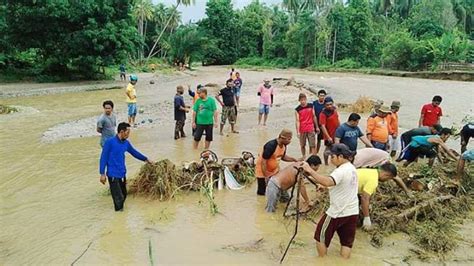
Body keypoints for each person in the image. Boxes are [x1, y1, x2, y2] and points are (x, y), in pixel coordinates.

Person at [300, 144, 359, 259]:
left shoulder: (341, 170)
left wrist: (309, 170)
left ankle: (323, 261)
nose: (331, 160)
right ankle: (344, 261)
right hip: (352, 212)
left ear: (340, 156)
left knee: (320, 236)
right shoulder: (352, 168)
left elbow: (328, 181)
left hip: (337, 212)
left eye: (332, 157)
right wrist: (326, 187)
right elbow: (342, 185)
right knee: (346, 243)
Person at [99, 122, 152, 211]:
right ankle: (119, 216)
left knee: (124, 194)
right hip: (112, 175)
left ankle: (121, 217)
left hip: (122, 173)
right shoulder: (110, 142)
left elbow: (134, 152)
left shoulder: (126, 143)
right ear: (122, 132)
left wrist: (146, 159)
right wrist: (102, 173)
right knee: (118, 198)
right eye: (127, 133)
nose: (128, 135)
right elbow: (103, 158)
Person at [357, 163, 410, 230]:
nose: (386, 181)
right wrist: (367, 217)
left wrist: (367, 205)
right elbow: (364, 198)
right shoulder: (373, 180)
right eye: (388, 179)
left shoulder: (371, 172)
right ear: (387, 175)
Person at [255, 129, 299, 196]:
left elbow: (283, 157)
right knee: (262, 193)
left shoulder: (284, 145)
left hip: (274, 171)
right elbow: (263, 162)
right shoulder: (271, 146)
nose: (290, 141)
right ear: (282, 138)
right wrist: (266, 176)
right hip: (262, 171)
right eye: (289, 139)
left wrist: (293, 159)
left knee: (278, 188)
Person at [295, 93, 319, 158]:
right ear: (299, 100)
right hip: (302, 129)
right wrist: (298, 132)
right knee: (302, 145)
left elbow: (314, 116)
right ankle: (304, 156)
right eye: (301, 100)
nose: (303, 101)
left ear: (306, 99)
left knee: (313, 144)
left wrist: (317, 127)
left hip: (311, 128)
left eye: (304, 100)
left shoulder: (311, 106)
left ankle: (313, 156)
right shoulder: (297, 109)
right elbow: (297, 121)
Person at [319, 96, 340, 165]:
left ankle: (334, 162)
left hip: (337, 133)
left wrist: (341, 130)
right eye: (327, 105)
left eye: (331, 104)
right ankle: (326, 164)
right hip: (329, 134)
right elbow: (322, 126)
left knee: (336, 149)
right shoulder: (323, 114)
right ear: (325, 105)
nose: (329, 106)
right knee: (327, 150)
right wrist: (328, 137)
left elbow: (337, 120)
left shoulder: (334, 109)